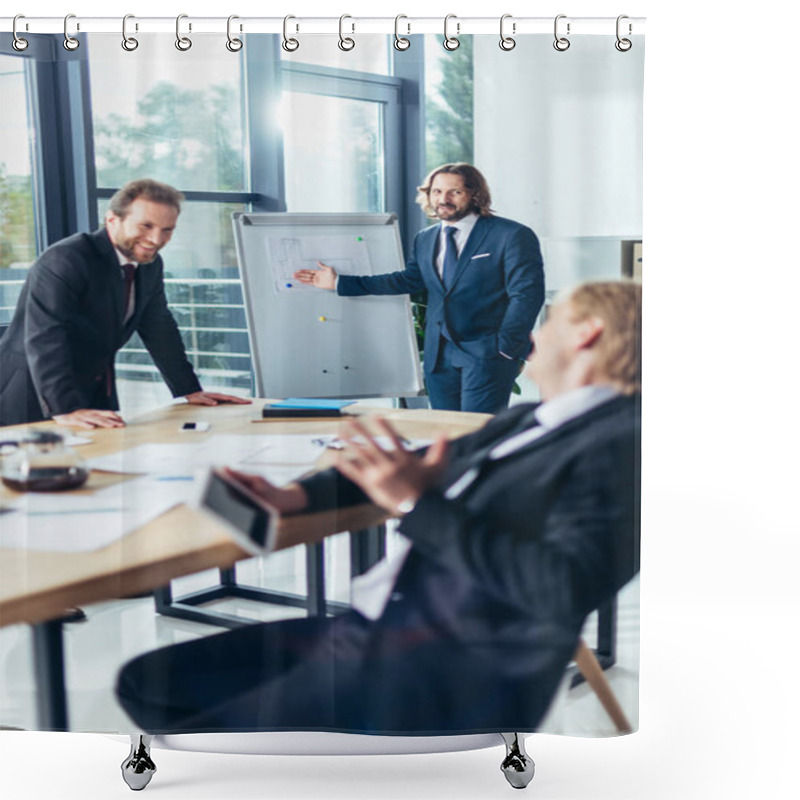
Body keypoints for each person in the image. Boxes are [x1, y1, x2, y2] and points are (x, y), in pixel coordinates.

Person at [116, 279, 641, 735]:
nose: (535, 333)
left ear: (585, 333)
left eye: (550, 321)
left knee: (192, 718)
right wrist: (297, 496)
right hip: (382, 630)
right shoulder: (529, 419)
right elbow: (414, 467)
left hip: (450, 674)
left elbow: (563, 587)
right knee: (147, 683)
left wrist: (415, 502)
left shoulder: (628, 443)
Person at [293, 163, 544, 414]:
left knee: (478, 435)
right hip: (439, 357)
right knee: (444, 433)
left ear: (475, 194)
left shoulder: (511, 235)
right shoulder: (426, 238)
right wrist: (340, 282)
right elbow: (408, 280)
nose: (443, 199)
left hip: (486, 353)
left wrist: (505, 346)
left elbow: (526, 295)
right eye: (436, 192)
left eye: (454, 192)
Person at [0, 179, 249, 428]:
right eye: (146, 225)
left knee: (97, 463)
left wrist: (190, 390)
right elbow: (45, 335)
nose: (155, 239)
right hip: (33, 392)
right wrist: (66, 408)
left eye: (167, 229)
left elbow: (158, 327)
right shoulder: (66, 259)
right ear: (112, 220)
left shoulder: (150, 264)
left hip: (92, 389)